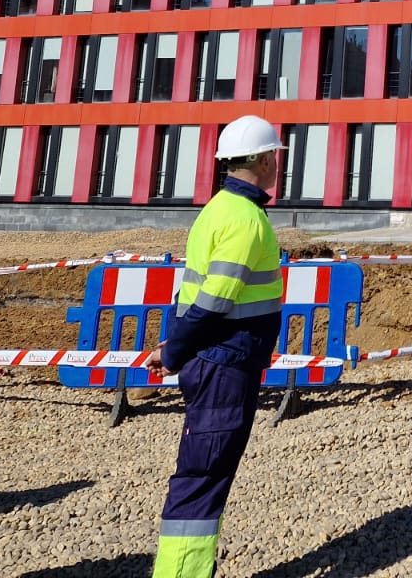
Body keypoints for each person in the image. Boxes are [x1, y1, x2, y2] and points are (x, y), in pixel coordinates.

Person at [149, 114, 285, 578]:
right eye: (276, 158)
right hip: (224, 363)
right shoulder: (246, 220)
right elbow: (215, 301)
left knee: (204, 472)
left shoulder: (219, 208)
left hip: (215, 359)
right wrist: (173, 353)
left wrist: (176, 344)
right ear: (268, 160)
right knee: (204, 476)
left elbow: (198, 294)